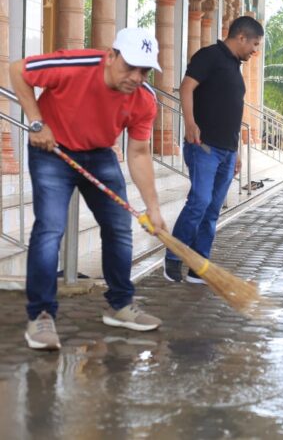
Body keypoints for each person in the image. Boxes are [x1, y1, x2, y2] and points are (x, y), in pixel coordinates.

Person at [9, 27, 166, 350]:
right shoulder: (76, 65)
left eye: (144, 70)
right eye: (130, 66)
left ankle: (120, 305)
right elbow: (17, 70)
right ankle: (40, 316)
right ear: (111, 56)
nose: (136, 77)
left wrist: (153, 208)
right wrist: (37, 122)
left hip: (99, 155)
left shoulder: (145, 100)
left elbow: (138, 153)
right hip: (52, 150)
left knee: (119, 227)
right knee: (50, 229)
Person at [163, 16, 263, 283]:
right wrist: (190, 123)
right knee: (200, 202)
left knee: (213, 209)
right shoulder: (209, 56)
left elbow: (233, 110)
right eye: (254, 44)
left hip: (227, 150)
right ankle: (174, 257)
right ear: (241, 37)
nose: (255, 50)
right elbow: (186, 88)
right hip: (204, 146)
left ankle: (199, 265)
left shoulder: (233, 66)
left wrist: (238, 150)